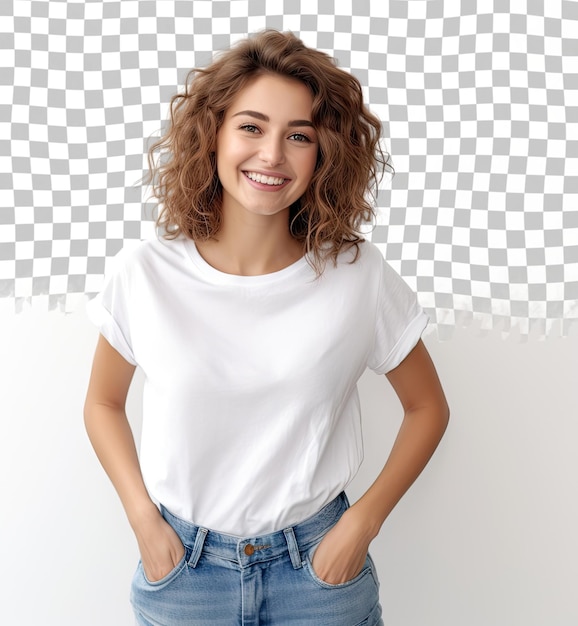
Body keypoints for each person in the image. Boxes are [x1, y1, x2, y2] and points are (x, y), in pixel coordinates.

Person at [84, 29, 449, 626]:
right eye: (251, 127)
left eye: (298, 136)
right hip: (185, 577)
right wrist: (142, 521)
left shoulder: (357, 276)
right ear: (214, 135)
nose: (272, 155)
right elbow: (102, 402)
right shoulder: (145, 273)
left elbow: (428, 407)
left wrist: (361, 525)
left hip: (319, 577)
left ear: (323, 153)